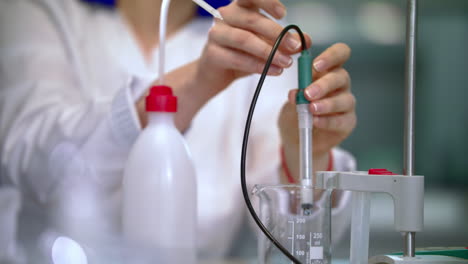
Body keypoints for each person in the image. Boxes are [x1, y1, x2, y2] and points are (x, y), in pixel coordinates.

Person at [0, 0, 356, 259]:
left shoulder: (249, 35)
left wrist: (304, 149)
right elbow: (35, 162)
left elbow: (293, 240)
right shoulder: (39, 12)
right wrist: (198, 82)